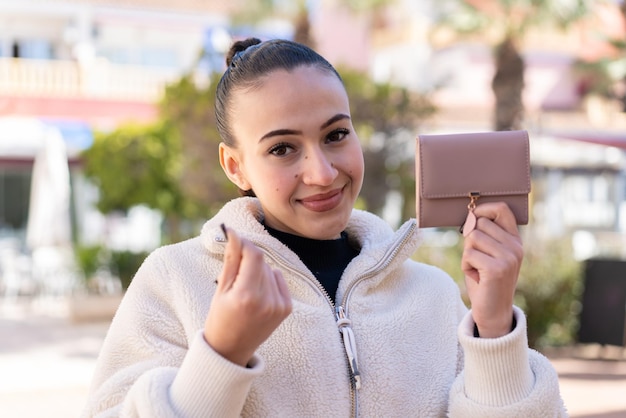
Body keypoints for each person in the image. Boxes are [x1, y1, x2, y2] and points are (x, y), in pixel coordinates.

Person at [82, 38, 567, 417]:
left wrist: (495, 327)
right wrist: (222, 352)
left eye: (336, 135)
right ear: (235, 167)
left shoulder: (434, 295)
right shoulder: (175, 281)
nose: (322, 172)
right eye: (282, 148)